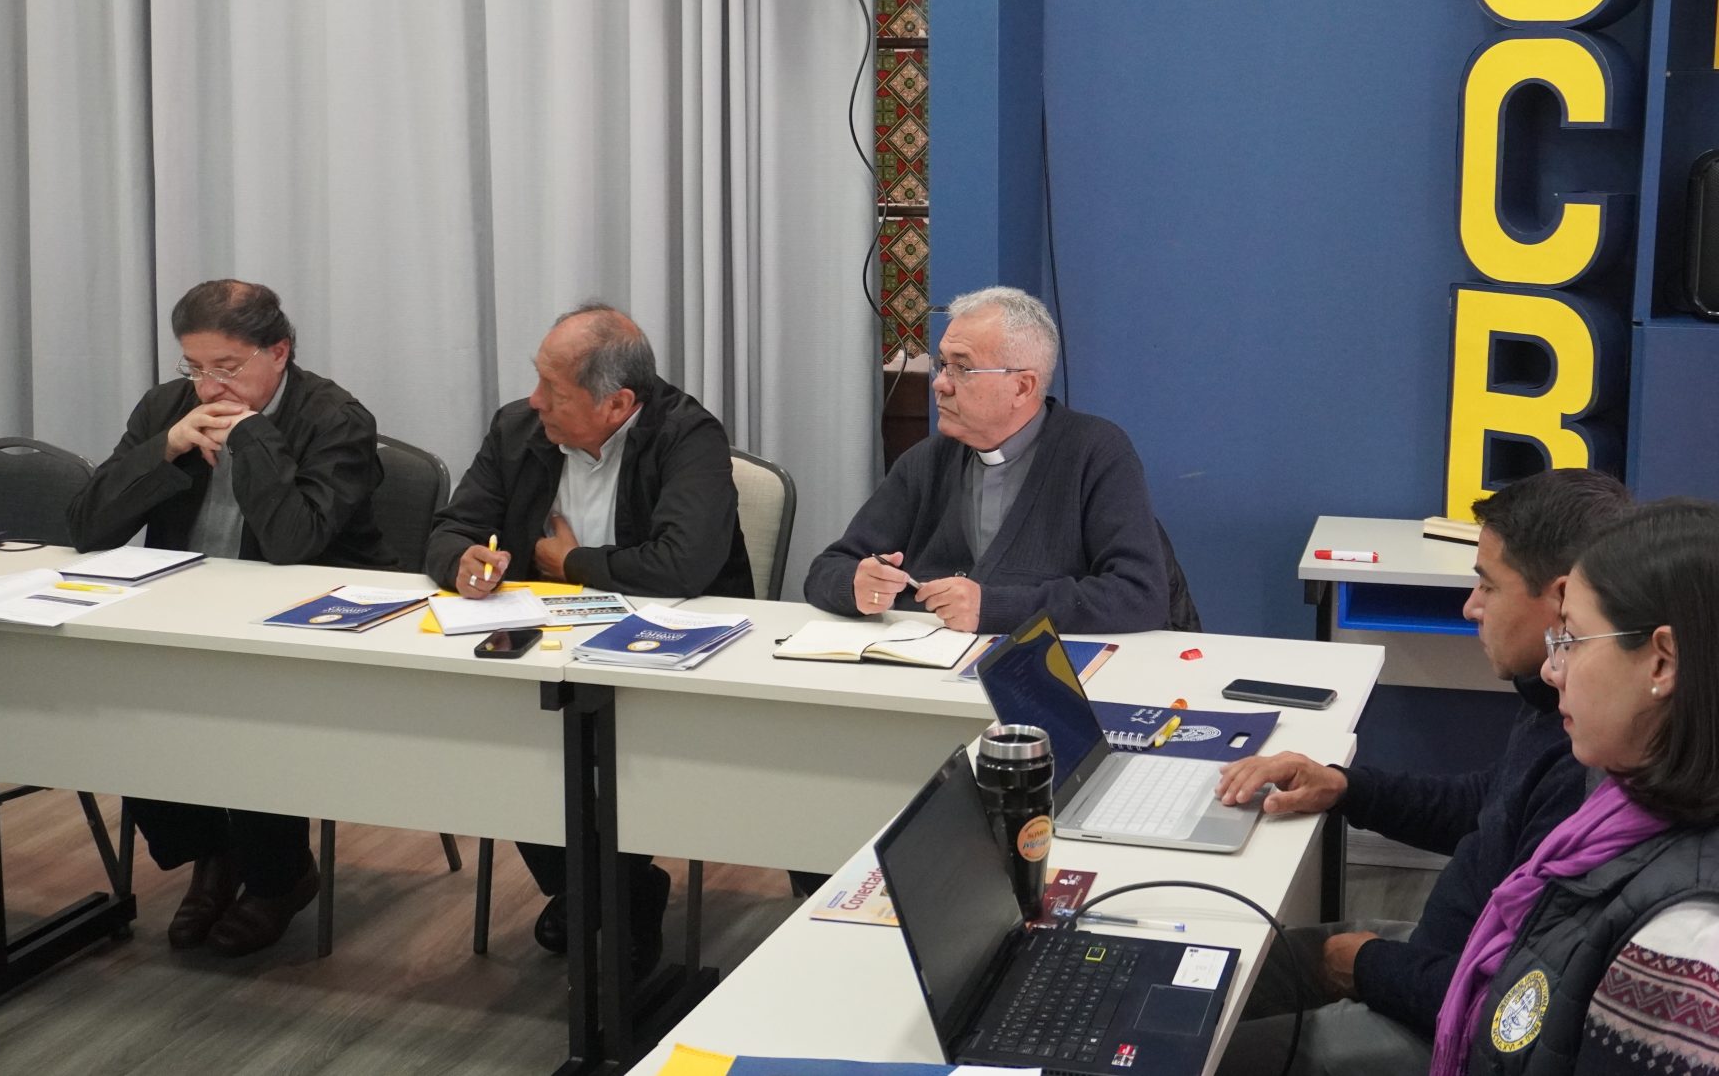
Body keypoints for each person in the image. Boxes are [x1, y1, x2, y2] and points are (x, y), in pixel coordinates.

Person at [1216, 469, 1631, 1074]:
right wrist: (1344, 787)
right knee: (1223, 970)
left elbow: (1511, 1008)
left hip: (1447, 1021)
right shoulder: (1553, 708)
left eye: (1487, 585)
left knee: (1203, 1054)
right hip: (1436, 960)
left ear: (1561, 599)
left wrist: (1366, 965)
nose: (1470, 607)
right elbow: (1487, 805)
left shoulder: (1587, 765)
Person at [1428, 499, 1719, 1074]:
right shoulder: (1699, 812)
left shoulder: (1696, 944)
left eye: (1573, 639)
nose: (1552, 669)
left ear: (1662, 663)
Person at [67, 278, 393, 957]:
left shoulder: (335, 419)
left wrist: (253, 437)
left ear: (279, 351)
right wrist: (165, 447)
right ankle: (212, 853)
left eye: (226, 367)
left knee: (247, 705)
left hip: (304, 626)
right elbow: (89, 526)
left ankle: (279, 876)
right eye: (194, 367)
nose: (208, 388)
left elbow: (295, 541)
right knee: (120, 701)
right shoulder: (167, 407)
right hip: (186, 613)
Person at [424, 302, 753, 971]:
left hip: (668, 656)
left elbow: (681, 566)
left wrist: (570, 562)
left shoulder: (688, 436)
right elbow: (448, 528)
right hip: (544, 650)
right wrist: (460, 559)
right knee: (497, 735)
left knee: (602, 747)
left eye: (554, 389)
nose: (534, 399)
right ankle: (610, 891)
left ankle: (601, 893)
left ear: (617, 403)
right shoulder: (518, 430)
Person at [804, 285, 1168, 634]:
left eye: (962, 369)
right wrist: (856, 585)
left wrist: (993, 608)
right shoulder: (926, 461)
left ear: (1022, 387)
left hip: (1042, 667)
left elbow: (1139, 593)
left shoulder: (1095, 452)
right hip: (924, 662)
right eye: (942, 364)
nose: (940, 383)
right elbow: (826, 570)